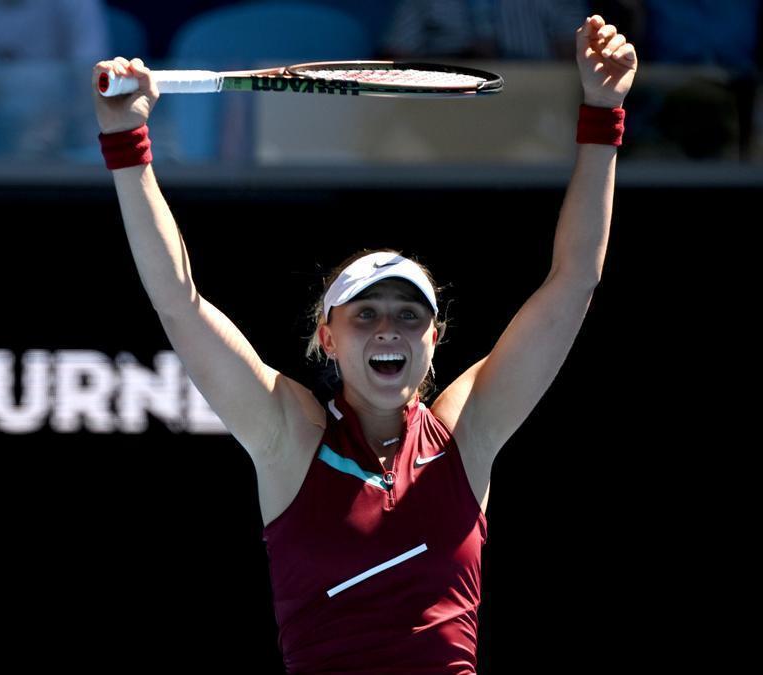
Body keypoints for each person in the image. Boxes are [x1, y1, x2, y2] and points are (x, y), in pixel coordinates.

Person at [90, 14, 636, 673]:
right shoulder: (286, 433)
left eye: (409, 315)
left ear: (434, 338)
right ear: (327, 336)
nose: (388, 328)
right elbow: (180, 303)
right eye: (366, 313)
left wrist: (603, 115)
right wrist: (127, 144)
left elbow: (574, 280)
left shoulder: (468, 432)